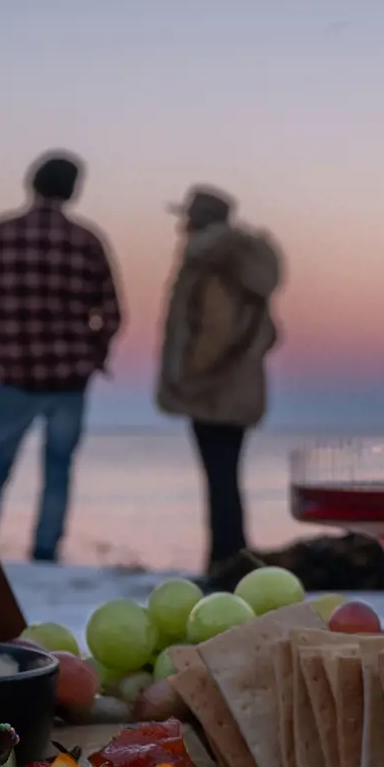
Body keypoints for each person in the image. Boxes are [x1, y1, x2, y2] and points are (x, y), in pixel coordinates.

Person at [0, 152, 121, 562]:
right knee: (57, 471)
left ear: (31, 182)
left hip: (15, 374)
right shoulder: (86, 240)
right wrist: (94, 355)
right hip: (70, 377)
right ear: (72, 190)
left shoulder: (1, 234)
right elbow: (110, 310)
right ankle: (45, 552)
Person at [156, 186, 282, 570]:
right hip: (238, 389)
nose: (182, 226)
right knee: (225, 478)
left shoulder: (212, 262)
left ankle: (225, 561)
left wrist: (190, 376)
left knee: (220, 479)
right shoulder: (242, 263)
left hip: (214, 391)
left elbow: (215, 327)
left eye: (187, 218)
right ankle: (230, 556)